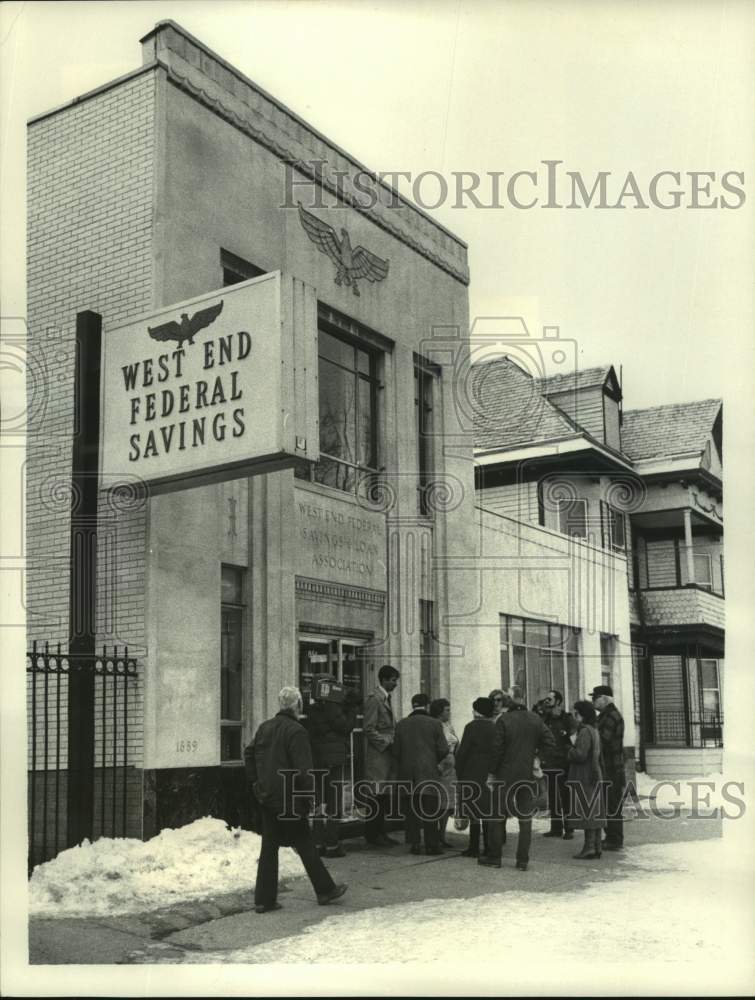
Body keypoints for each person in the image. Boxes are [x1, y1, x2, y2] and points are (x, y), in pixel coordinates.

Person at [245, 686, 347, 913]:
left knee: (269, 848)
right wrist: (313, 798)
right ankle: (325, 890)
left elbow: (248, 753)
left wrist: (256, 782)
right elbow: (304, 770)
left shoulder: (264, 727)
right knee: (305, 844)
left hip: (267, 797)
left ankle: (264, 900)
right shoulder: (297, 731)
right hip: (290, 798)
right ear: (297, 705)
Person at [481, 686, 556, 872]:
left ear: (511, 699)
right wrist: (538, 758)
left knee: (498, 816)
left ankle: (494, 857)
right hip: (527, 775)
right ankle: (522, 860)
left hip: (505, 775)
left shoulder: (504, 720)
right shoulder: (535, 719)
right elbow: (550, 742)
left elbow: (497, 750)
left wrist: (491, 773)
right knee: (525, 818)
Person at [306, 674, 360, 858]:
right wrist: (351, 710)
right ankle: (332, 844)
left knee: (319, 802)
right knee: (334, 802)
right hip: (334, 760)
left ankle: (318, 843)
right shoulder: (334, 707)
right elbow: (345, 727)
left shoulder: (313, 709)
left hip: (317, 759)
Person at [393, 692, 450, 855]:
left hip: (406, 773)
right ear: (427, 706)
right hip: (428, 772)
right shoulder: (434, 724)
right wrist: (433, 760)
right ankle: (432, 844)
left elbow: (395, 751)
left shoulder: (401, 724)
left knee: (411, 810)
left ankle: (415, 844)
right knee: (429, 810)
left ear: (413, 705)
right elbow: (444, 749)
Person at [361, 664, 400, 847]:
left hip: (385, 756)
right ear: (384, 679)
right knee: (376, 796)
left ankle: (380, 833)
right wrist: (386, 742)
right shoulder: (374, 700)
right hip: (378, 756)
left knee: (383, 795)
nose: (395, 684)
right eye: (393, 680)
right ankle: (373, 834)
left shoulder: (385, 699)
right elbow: (368, 728)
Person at [455, 696, 496, 858]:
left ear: (477, 711)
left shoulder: (471, 727)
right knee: (486, 811)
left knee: (472, 812)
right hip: (488, 773)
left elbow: (463, 752)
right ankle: (487, 847)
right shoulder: (495, 727)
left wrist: (459, 772)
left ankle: (473, 847)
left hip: (471, 772)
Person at [566, 700, 606, 860]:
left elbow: (581, 754)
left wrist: (569, 751)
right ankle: (596, 846)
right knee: (594, 810)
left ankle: (589, 847)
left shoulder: (584, 732)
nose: (574, 716)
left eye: (576, 713)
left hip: (584, 775)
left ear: (582, 714)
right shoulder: (594, 730)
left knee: (586, 811)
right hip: (595, 774)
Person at [591, 684, 626, 851]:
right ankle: (612, 837)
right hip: (611, 766)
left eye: (595, 698)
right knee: (609, 803)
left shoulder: (610, 716)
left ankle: (614, 839)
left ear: (604, 699)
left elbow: (603, 740)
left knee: (612, 804)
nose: (593, 701)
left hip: (611, 768)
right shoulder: (606, 715)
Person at [540, 689, 577, 840]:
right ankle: (556, 828)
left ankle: (569, 828)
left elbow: (574, 740)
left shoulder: (568, 719)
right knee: (553, 796)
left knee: (566, 796)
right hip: (549, 763)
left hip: (564, 764)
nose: (546, 701)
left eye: (550, 699)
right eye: (546, 698)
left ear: (558, 702)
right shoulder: (545, 719)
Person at [429, 697, 458, 848]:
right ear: (439, 711)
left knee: (448, 803)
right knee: (440, 801)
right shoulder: (435, 725)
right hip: (440, 765)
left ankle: (442, 834)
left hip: (450, 766)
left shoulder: (449, 725)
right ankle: (436, 835)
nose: (449, 712)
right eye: (447, 710)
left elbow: (455, 741)